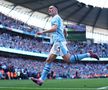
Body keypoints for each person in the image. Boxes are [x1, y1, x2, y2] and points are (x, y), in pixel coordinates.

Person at [31, 5, 99, 86]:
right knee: (48, 60)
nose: (49, 10)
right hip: (57, 42)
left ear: (56, 10)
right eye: (49, 9)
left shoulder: (55, 18)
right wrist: (64, 36)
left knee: (69, 59)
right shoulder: (58, 18)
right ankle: (41, 80)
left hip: (59, 42)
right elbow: (64, 30)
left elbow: (55, 29)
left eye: (51, 8)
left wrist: (42, 32)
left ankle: (88, 54)